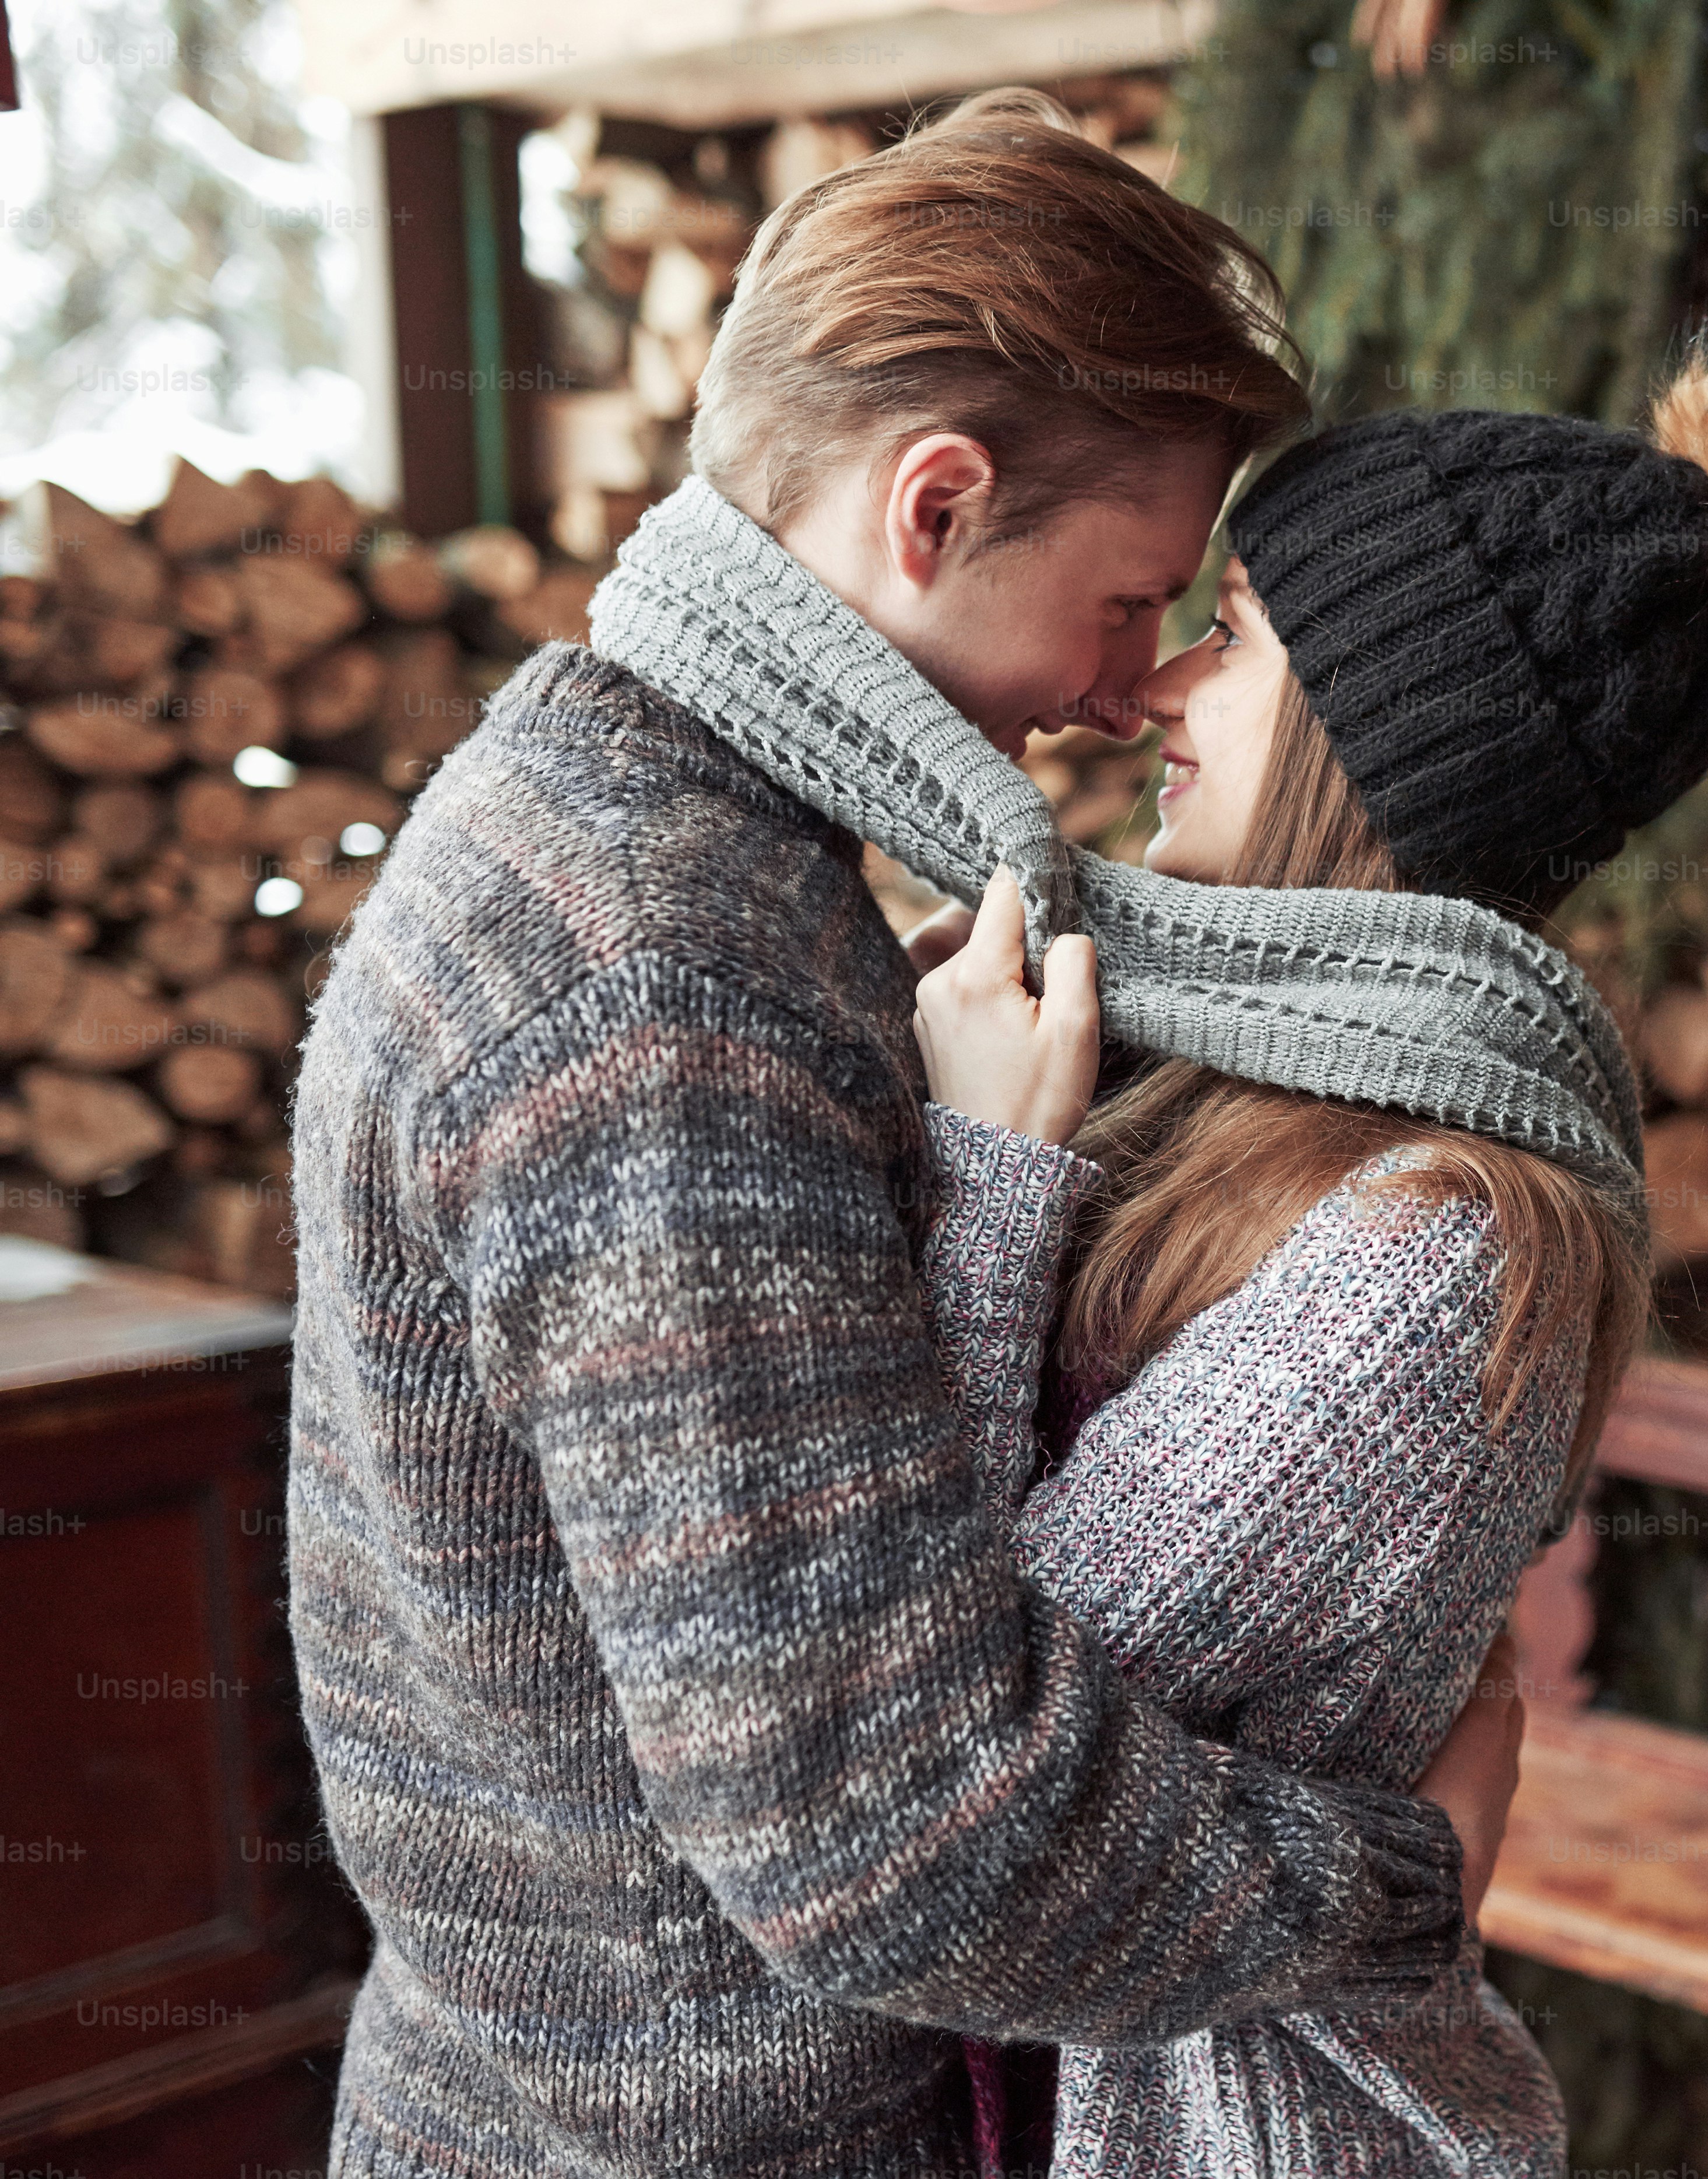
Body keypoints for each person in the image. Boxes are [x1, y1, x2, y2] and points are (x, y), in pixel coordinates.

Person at [287, 88, 1621, 2176]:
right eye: (1128, 600)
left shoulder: (627, 828)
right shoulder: (667, 975)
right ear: (935, 505)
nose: (1123, 690)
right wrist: (1398, 1884)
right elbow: (889, 1832)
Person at [900, 352, 1708, 2173]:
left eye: (1225, 630)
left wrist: (989, 1179)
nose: (1152, 687)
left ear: (1382, 728)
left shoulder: (1435, 1251)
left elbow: (945, 1723)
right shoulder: (1224, 1080)